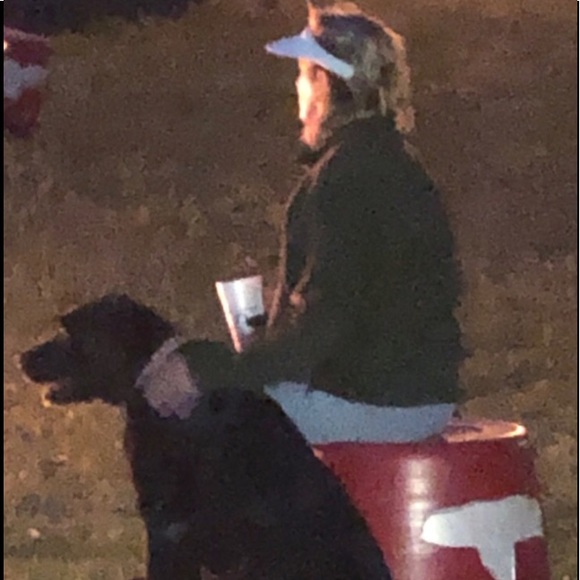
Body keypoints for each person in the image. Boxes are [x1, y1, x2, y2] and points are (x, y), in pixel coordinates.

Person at [182, 1, 465, 444]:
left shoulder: (340, 179)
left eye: (303, 74)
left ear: (325, 83)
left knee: (197, 415)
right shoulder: (401, 165)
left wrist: (233, 371)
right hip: (428, 395)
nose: (296, 87)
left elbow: (328, 323)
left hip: (373, 402)